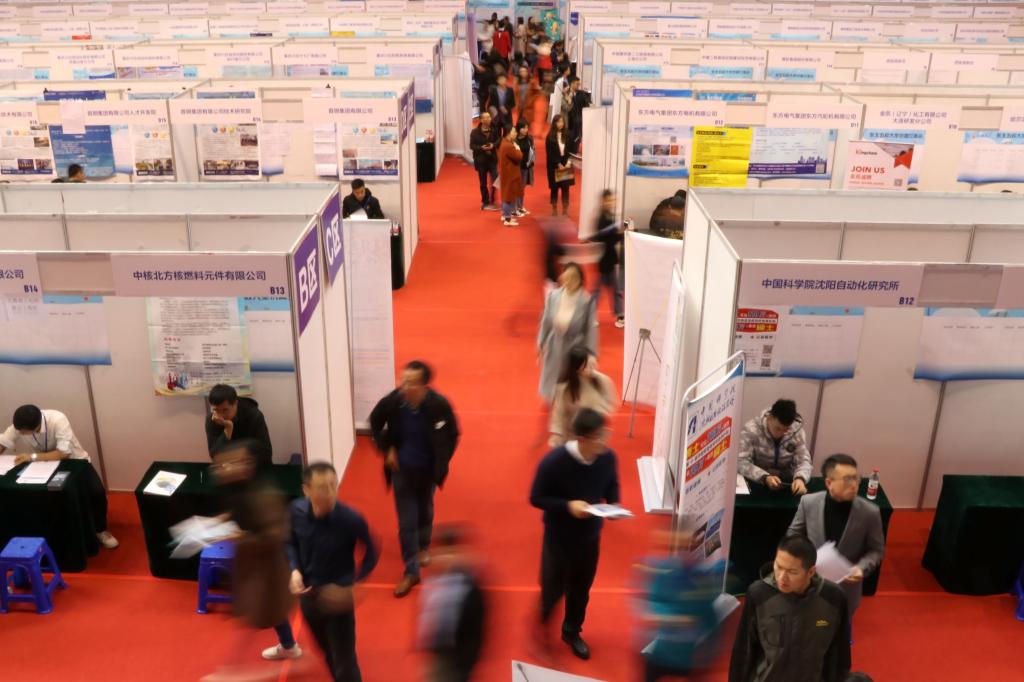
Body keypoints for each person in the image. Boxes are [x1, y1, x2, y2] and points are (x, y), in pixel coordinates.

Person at [529, 408, 621, 660]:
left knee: (581, 588)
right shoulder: (554, 462)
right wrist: (567, 506)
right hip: (558, 537)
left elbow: (611, 484)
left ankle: (571, 631)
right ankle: (540, 630)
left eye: (606, 433)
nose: (604, 440)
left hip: (590, 537)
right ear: (582, 439)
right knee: (552, 589)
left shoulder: (607, 457)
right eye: (599, 436)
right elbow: (536, 497)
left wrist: (614, 504)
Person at [369, 360, 460, 598]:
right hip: (402, 472)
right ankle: (411, 570)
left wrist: (442, 460)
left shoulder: (439, 405)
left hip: (428, 472)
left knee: (425, 509)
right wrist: (387, 449)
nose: (404, 386)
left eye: (410, 383)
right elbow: (375, 422)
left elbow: (453, 434)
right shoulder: (394, 402)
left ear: (424, 386)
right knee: (406, 522)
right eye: (403, 380)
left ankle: (423, 545)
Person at [209, 440, 296, 674]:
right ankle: (289, 646)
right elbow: (242, 512)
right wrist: (222, 520)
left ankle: (233, 668)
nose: (224, 469)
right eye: (220, 465)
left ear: (249, 465)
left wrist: (239, 538)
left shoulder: (265, 494)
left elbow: (274, 535)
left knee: (255, 614)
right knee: (269, 612)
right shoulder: (241, 489)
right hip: (254, 566)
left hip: (266, 569)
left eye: (231, 464)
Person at [287, 462, 379, 682]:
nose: (329, 493)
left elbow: (372, 550)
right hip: (308, 598)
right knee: (326, 651)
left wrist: (356, 583)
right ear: (306, 490)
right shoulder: (296, 511)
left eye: (333, 485)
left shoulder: (351, 519)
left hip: (338, 600)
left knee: (345, 661)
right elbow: (289, 542)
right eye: (321, 487)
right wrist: (294, 570)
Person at [729, 535, 851, 682]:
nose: (782, 577)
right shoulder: (759, 594)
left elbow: (839, 656)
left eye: (792, 572)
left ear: (811, 572)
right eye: (778, 566)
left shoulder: (833, 598)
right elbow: (743, 651)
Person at [0, 404, 118, 549]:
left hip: (74, 462)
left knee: (97, 492)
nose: (21, 434)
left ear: (36, 426)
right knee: (43, 497)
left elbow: (64, 452)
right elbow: (4, 441)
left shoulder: (58, 419)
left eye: (24, 432)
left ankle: (101, 530)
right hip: (43, 465)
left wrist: (32, 457)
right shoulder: (21, 424)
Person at [787, 454, 885, 619]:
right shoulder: (808, 503)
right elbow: (793, 535)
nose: (854, 484)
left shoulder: (870, 512)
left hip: (845, 589)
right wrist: (803, 559)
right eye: (847, 479)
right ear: (829, 482)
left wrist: (861, 568)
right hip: (809, 583)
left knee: (838, 629)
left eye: (856, 478)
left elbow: (876, 550)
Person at [636, 528, 726, 682]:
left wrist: (707, 657)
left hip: (686, 657)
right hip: (661, 653)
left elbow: (711, 622)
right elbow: (652, 604)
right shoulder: (665, 573)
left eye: (689, 547)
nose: (685, 553)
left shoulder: (700, 581)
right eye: (682, 547)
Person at [416, 525, 487, 682]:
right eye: (442, 552)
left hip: (458, 661)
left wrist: (466, 666)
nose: (445, 558)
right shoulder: (434, 581)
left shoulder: (471, 589)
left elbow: (477, 634)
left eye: (451, 553)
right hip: (439, 654)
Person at [537, 261, 597, 401]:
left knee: (570, 383)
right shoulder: (553, 296)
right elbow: (546, 321)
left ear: (580, 280)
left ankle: (567, 401)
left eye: (573, 277)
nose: (569, 281)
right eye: (567, 277)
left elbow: (591, 329)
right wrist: (541, 341)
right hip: (554, 344)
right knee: (551, 376)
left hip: (574, 348)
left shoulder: (587, 301)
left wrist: (591, 354)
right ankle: (553, 399)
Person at [737, 398, 812, 495]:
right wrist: (765, 477)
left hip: (788, 484)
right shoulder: (751, 430)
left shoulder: (796, 432)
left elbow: (803, 461)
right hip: (757, 483)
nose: (782, 433)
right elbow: (741, 462)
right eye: (778, 428)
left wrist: (800, 478)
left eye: (786, 429)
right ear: (769, 418)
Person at [549, 345, 616, 447]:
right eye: (588, 366)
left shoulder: (603, 380)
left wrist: (597, 418)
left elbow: (609, 404)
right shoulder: (563, 387)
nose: (593, 369)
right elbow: (559, 414)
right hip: (573, 437)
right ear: (577, 368)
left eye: (594, 364)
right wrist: (558, 435)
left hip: (595, 435)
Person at [206, 384, 273, 468]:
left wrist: (240, 464)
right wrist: (228, 429)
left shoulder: (254, 415)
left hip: (254, 467)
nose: (221, 415)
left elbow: (266, 452)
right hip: (227, 468)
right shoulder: (213, 419)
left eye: (225, 410)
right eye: (216, 410)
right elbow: (215, 455)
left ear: (235, 403)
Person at [588, 189, 626, 328]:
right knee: (598, 290)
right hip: (603, 260)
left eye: (612, 200)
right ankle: (590, 316)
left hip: (609, 258)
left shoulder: (610, 216)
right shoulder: (601, 219)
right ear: (603, 201)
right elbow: (605, 239)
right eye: (608, 200)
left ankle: (620, 315)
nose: (611, 203)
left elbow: (611, 237)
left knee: (614, 289)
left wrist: (621, 233)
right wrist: (619, 234)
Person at [470, 111, 501, 211]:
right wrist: (481, 148)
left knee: (495, 179)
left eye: (489, 117)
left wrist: (493, 145)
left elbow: (499, 140)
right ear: (481, 120)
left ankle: (492, 199)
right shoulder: (474, 132)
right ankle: (485, 202)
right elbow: (472, 146)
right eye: (486, 117)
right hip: (481, 161)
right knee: (483, 183)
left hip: (492, 159)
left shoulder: (494, 130)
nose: (489, 119)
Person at [546, 114, 574, 217]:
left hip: (566, 163)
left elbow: (572, 150)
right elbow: (549, 153)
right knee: (555, 188)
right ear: (554, 123)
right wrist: (558, 164)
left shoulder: (568, 135)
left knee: (565, 187)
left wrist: (568, 163)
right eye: (558, 122)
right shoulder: (549, 137)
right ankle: (554, 208)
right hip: (554, 165)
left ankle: (565, 209)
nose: (561, 124)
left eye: (562, 121)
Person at [498, 126, 525, 227]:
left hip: (507, 173)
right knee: (508, 196)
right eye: (514, 131)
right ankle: (507, 219)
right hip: (510, 174)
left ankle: (505, 215)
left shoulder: (504, 142)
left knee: (507, 195)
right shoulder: (509, 146)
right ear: (509, 133)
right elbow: (519, 156)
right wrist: (517, 148)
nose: (516, 133)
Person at [488, 72, 515, 137]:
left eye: (504, 79)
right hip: (496, 115)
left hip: (506, 115)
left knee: (507, 134)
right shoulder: (493, 90)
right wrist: (494, 111)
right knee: (496, 134)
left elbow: (513, 103)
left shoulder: (510, 90)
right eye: (500, 79)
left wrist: (506, 108)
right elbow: (490, 103)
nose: (502, 80)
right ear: (497, 81)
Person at [517, 119, 535, 192]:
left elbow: (532, 152)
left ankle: (520, 200)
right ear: (519, 128)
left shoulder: (529, 138)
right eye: (523, 128)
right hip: (516, 167)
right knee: (516, 188)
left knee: (522, 188)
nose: (525, 130)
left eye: (527, 128)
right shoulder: (515, 139)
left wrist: (531, 161)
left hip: (525, 167)